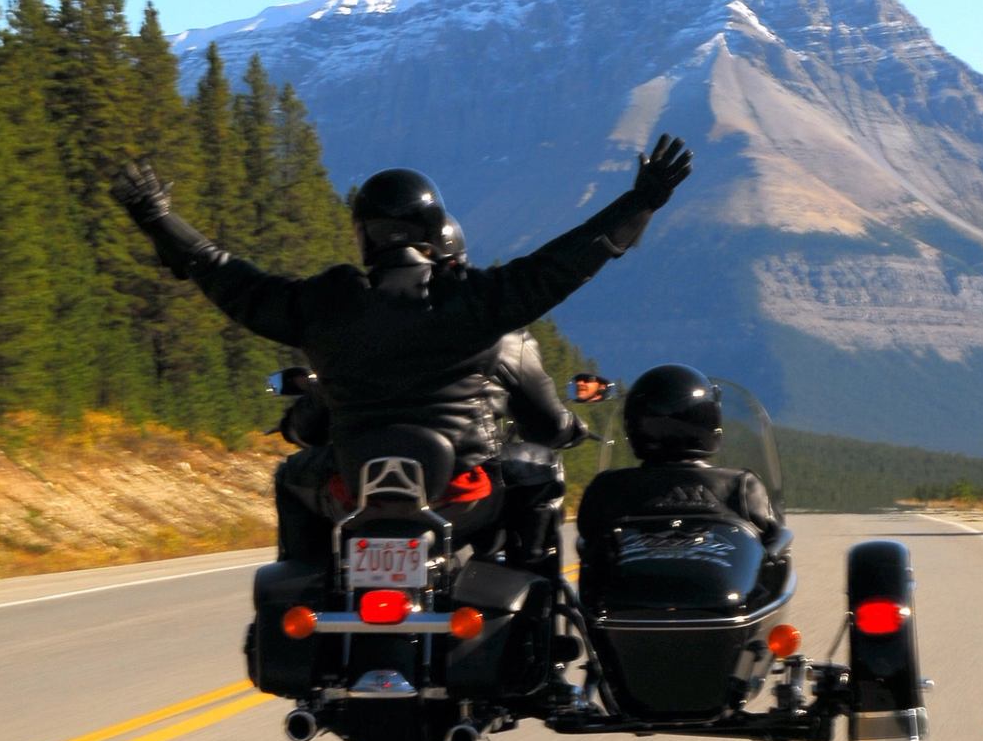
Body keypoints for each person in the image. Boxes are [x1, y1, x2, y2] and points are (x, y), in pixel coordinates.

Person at [110, 134, 691, 562]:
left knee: (294, 476)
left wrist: (159, 219)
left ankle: (308, 585)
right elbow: (563, 264)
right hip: (462, 492)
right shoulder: (474, 300)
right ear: (435, 227)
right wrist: (640, 202)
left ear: (363, 233)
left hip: (352, 493)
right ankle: (540, 629)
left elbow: (224, 274)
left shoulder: (324, 303)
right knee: (535, 479)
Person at [271, 217, 587, 569]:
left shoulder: (359, 330)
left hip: (359, 494)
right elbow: (545, 422)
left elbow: (311, 421)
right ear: (453, 263)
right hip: (459, 492)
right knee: (538, 470)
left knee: (293, 475)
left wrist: (296, 423)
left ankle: (305, 575)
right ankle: (533, 584)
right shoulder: (497, 331)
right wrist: (570, 429)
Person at [573, 363, 784, 563]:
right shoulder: (740, 486)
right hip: (722, 597)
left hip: (621, 597)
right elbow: (772, 538)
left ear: (633, 424)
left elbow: (587, 539)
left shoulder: (607, 488)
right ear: (710, 420)